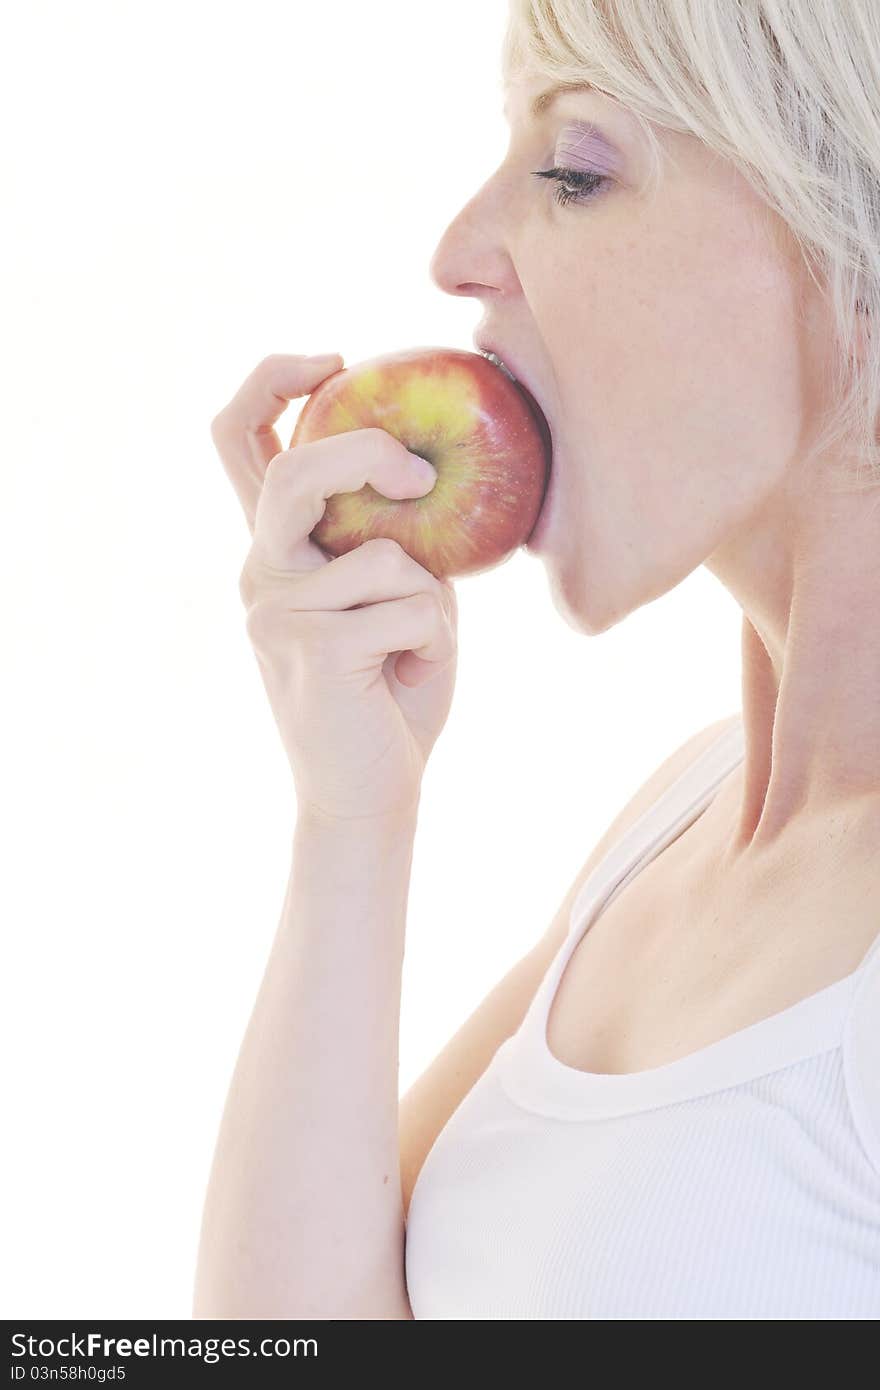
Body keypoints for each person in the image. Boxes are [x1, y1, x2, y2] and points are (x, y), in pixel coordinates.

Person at [193, 0, 880, 1319]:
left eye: (574, 168)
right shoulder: (683, 819)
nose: (457, 252)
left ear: (844, 242)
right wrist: (352, 815)